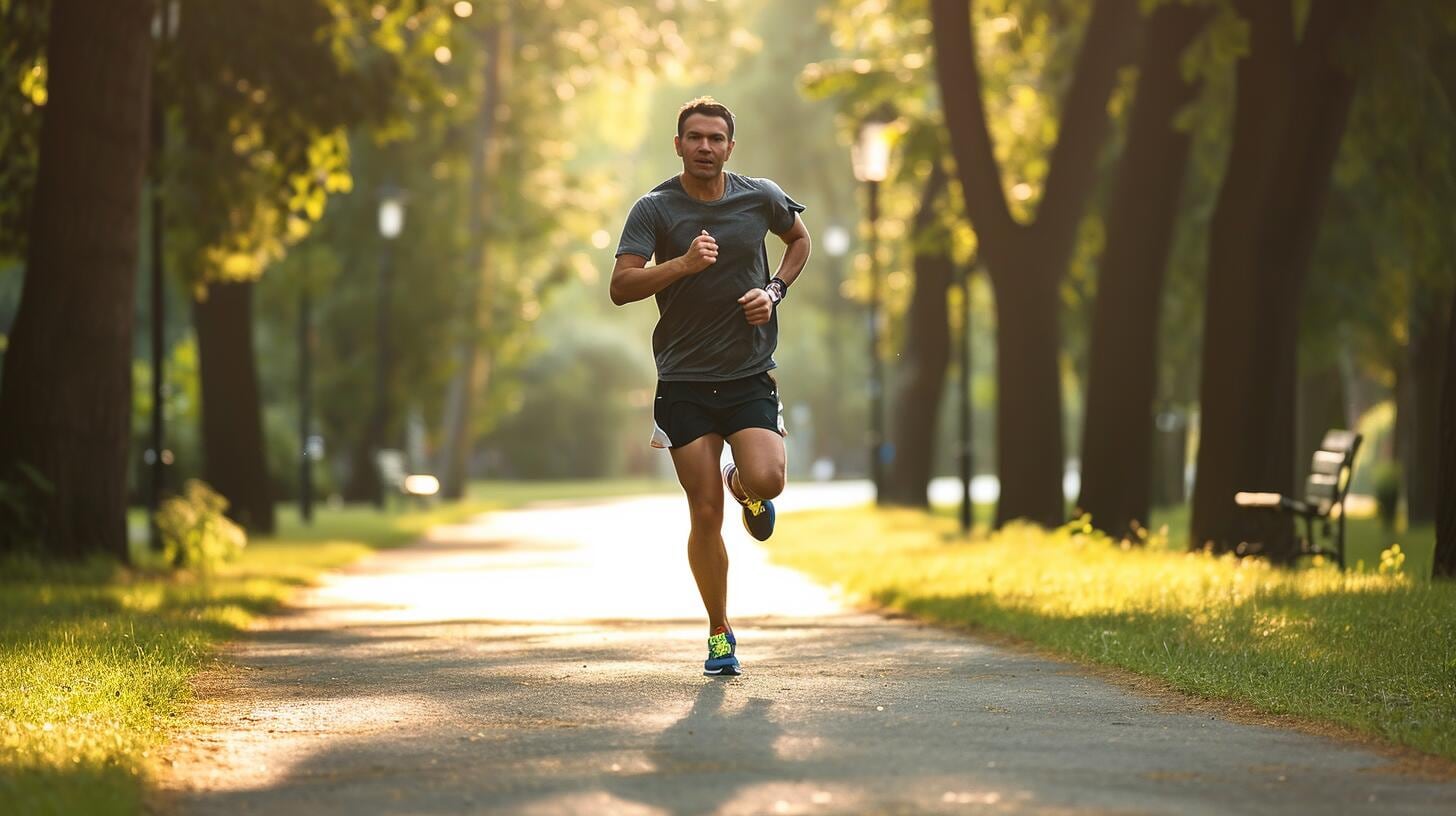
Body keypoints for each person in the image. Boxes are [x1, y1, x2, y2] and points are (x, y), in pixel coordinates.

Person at [610, 97, 811, 676]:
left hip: (748, 372)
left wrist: (773, 292)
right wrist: (682, 265)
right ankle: (719, 631)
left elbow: (800, 240)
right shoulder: (654, 208)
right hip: (684, 381)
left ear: (730, 146)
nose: (705, 147)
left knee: (769, 479)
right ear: (678, 145)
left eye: (716, 138)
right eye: (695, 137)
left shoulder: (760, 196)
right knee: (704, 513)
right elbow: (621, 286)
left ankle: (742, 485)